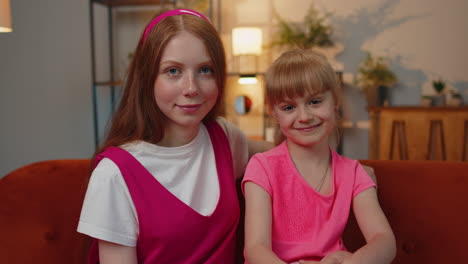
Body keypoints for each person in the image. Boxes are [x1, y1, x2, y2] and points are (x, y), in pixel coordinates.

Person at [77, 9, 270, 264]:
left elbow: (288, 153)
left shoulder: (223, 137)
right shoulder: (114, 174)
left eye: (205, 70)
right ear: (148, 78)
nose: (191, 88)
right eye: (173, 71)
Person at [242, 49, 396, 264]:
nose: (304, 117)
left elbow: (384, 240)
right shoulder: (262, 167)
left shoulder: (353, 172)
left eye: (315, 102)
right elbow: (256, 249)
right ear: (274, 113)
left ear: (335, 102)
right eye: (289, 107)